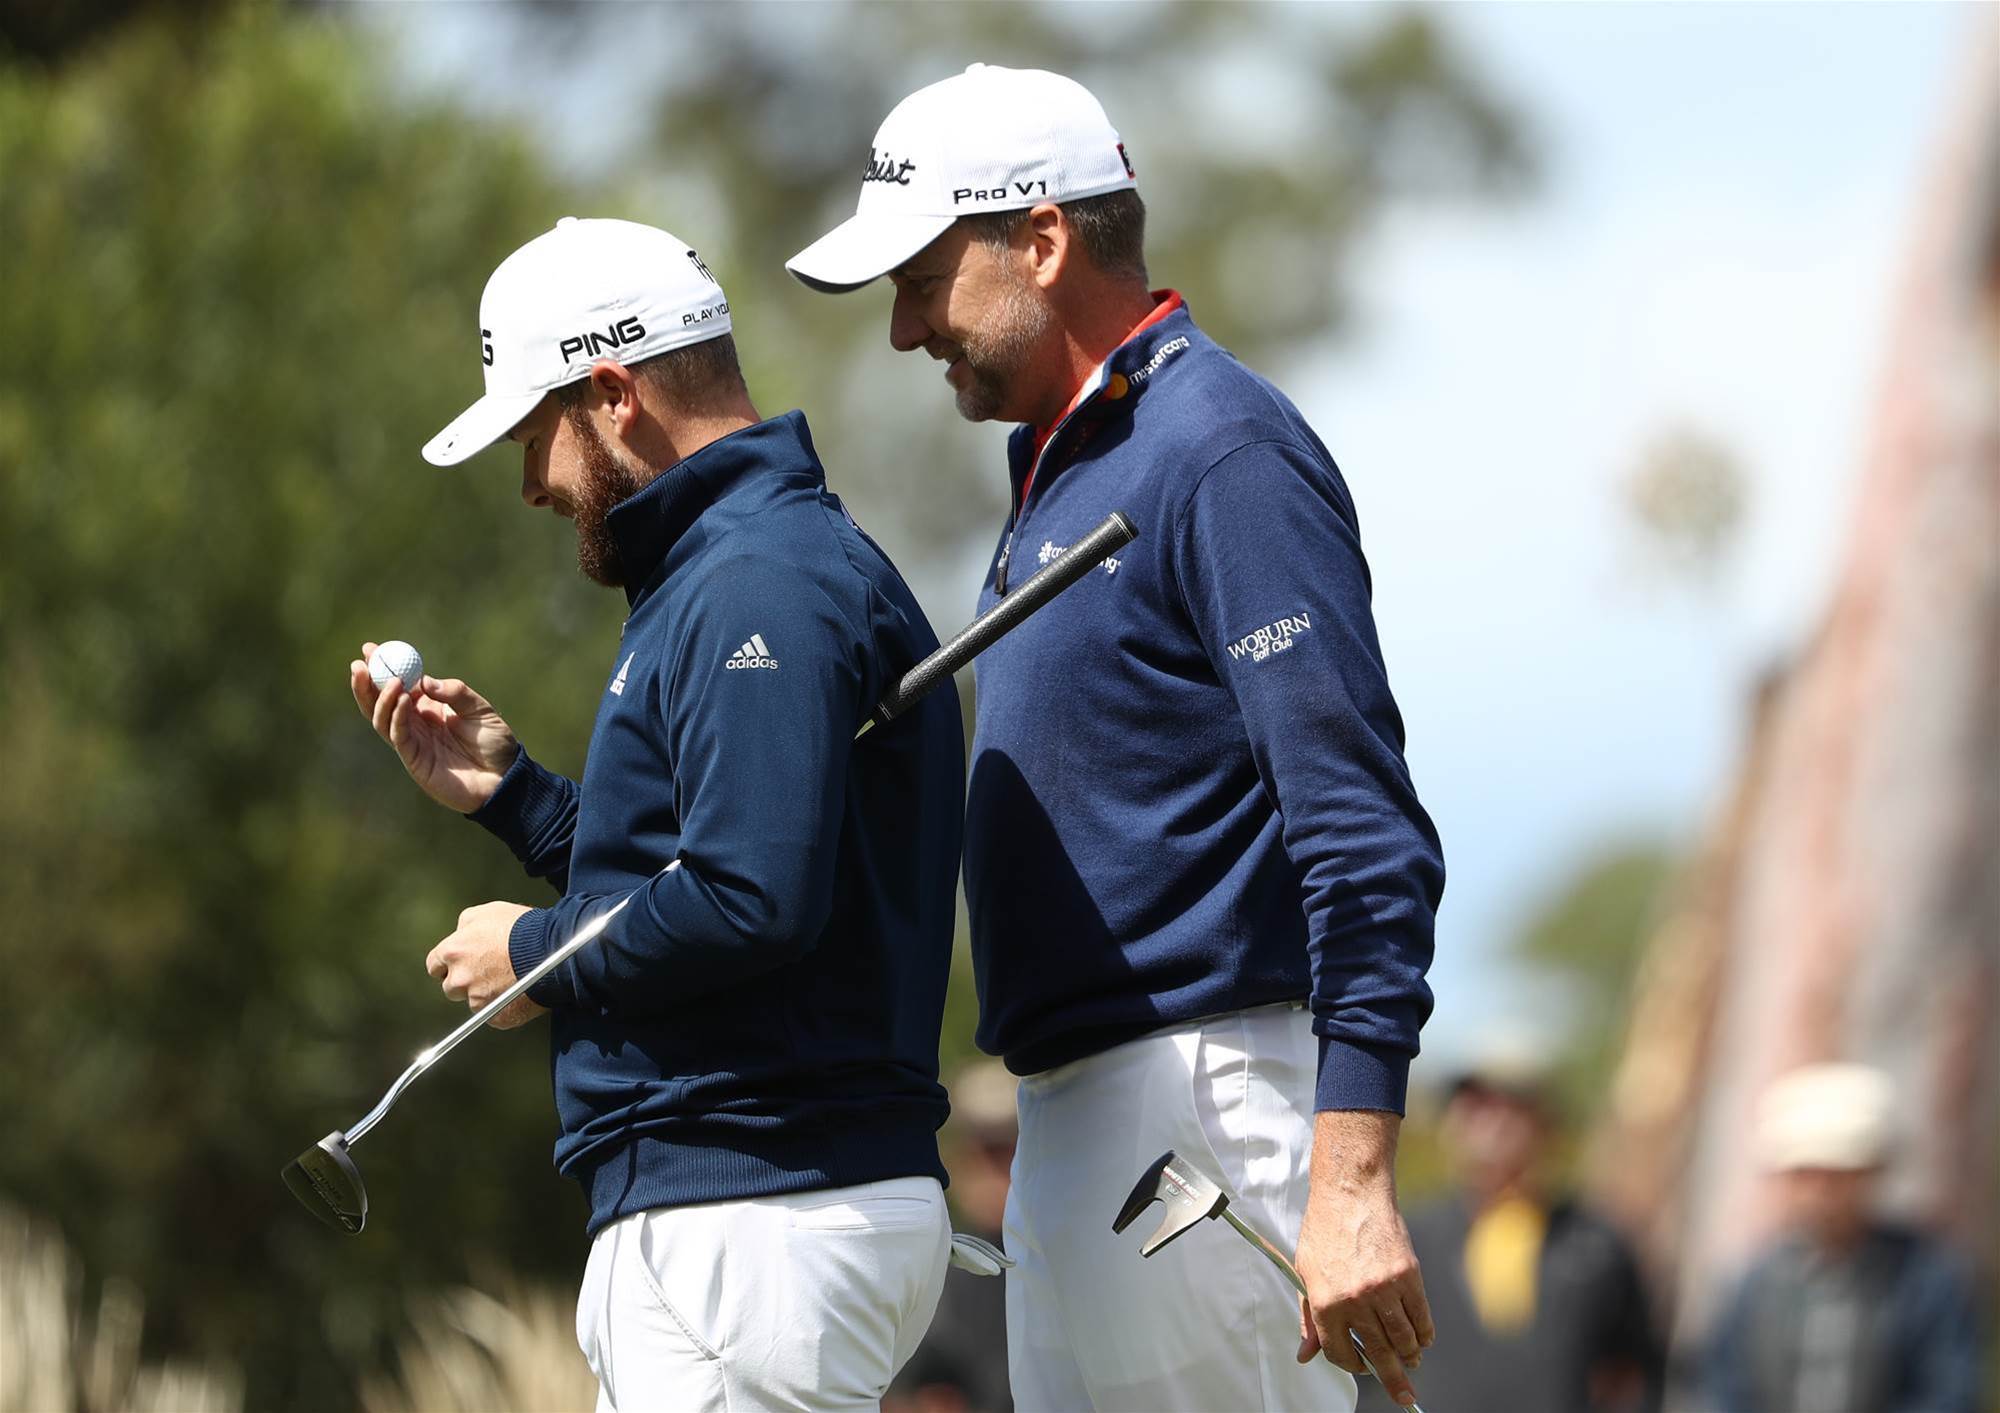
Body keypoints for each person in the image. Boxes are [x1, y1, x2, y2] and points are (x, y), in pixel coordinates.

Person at [789, 65, 1447, 1412]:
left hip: (1207, 1102)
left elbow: (1361, 831)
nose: (906, 330)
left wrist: (1352, 1180)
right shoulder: (1065, 467)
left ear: (1040, 239)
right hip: (1079, 1115)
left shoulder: (1218, 450)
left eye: (924, 281)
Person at [352, 217, 967, 1412]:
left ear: (612, 393)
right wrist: (517, 798)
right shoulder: (732, 570)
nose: (532, 485)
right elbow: (710, 862)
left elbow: (750, 895)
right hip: (760, 1214)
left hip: (754, 1212)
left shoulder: (756, 579)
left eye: (533, 437)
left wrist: (532, 953)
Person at [1356, 1060, 1662, 1413]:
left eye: (1509, 1107)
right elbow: (1365, 1367)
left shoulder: (1596, 1246)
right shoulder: (1404, 1239)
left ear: (1546, 1123)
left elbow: (1637, 1373)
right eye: (1475, 1106)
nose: (1490, 1126)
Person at [1706, 1062, 1987, 1413]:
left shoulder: (1927, 1280)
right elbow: (1724, 1389)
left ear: (1871, 1174)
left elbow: (1951, 1392)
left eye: (1836, 1177)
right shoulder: (1753, 1284)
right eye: (1805, 1175)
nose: (1819, 1194)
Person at [888, 1059, 1020, 1413]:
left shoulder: (1063, 1266)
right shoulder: (923, 1267)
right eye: (985, 1150)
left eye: (1010, 1149)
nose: (996, 1170)